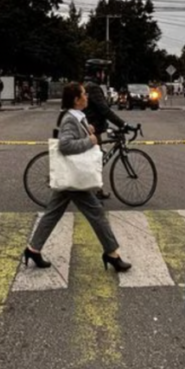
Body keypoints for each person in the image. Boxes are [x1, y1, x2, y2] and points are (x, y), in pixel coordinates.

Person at [23, 82, 131, 272]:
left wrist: (86, 129)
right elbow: (65, 145)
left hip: (69, 177)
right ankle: (112, 254)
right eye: (83, 94)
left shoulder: (77, 117)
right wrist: (89, 141)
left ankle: (33, 249)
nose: (87, 96)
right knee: (96, 213)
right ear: (76, 100)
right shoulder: (70, 119)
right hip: (74, 177)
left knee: (53, 212)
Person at [83, 59, 128, 200]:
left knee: (97, 159)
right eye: (102, 71)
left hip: (92, 127)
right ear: (97, 73)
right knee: (95, 160)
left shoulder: (88, 85)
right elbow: (105, 110)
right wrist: (123, 124)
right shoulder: (94, 88)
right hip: (92, 130)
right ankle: (90, 192)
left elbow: (98, 110)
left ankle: (97, 190)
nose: (103, 75)